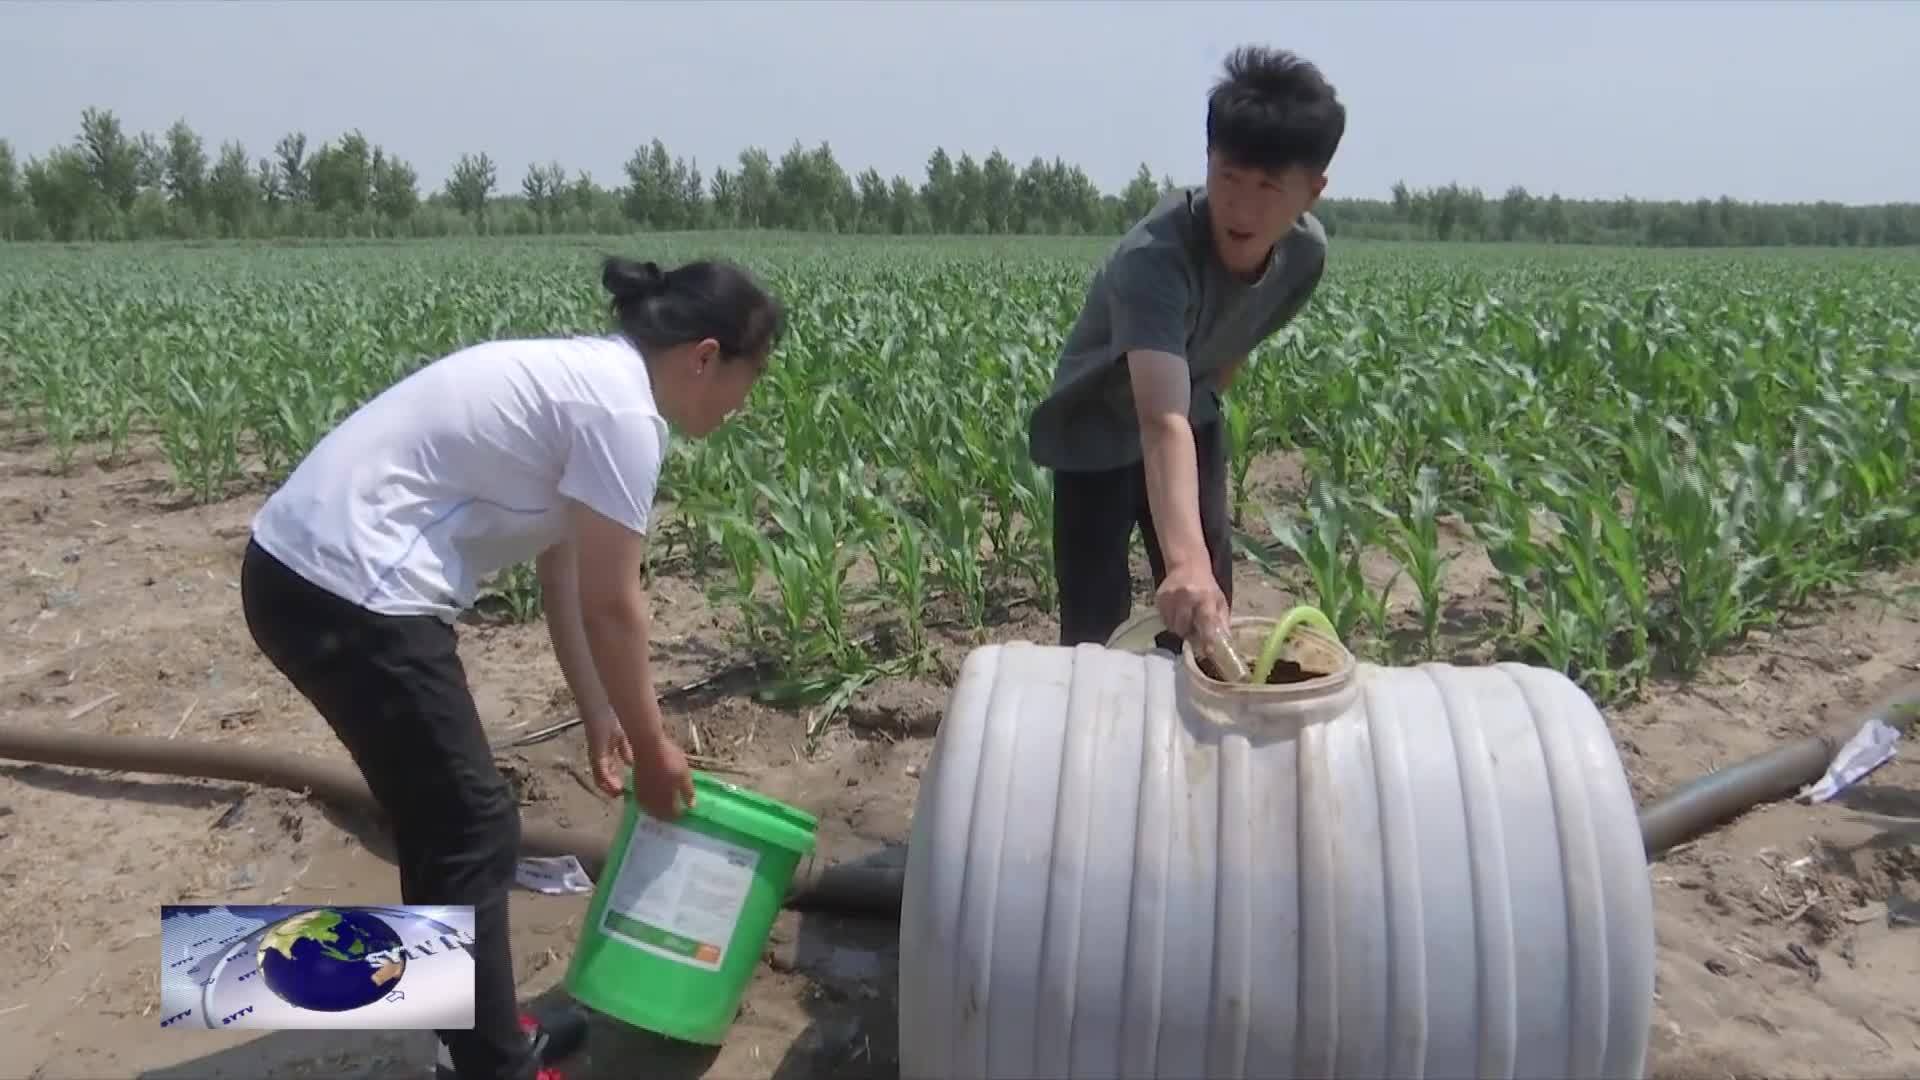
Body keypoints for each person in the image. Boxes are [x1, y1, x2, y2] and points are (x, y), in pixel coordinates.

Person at [239, 254, 784, 1080]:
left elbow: (562, 572)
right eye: (750, 378)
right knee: (470, 824)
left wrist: (601, 713)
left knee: (449, 822)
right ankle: (492, 1063)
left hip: (313, 571)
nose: (742, 405)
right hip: (347, 586)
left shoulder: (594, 384)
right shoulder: (622, 412)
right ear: (705, 356)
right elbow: (615, 604)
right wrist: (655, 744)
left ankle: (471, 1040)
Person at [1026, 45, 1345, 654]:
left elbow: (1235, 343)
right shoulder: (1154, 260)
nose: (1242, 207)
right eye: (1227, 177)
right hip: (1097, 428)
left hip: (1187, 409)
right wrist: (1185, 559)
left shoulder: (1305, 255)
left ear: (1312, 190)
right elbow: (1158, 418)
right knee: (1097, 618)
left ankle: (1197, 726)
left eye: (1268, 187)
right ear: (1207, 161)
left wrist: (1197, 565)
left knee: (1206, 606)